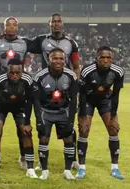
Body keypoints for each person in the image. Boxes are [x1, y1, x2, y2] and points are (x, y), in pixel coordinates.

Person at [31, 13, 80, 170]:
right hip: (46, 85)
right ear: (49, 24)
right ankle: (41, 162)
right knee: (44, 127)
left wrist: (75, 85)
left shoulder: (71, 43)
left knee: (69, 126)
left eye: (59, 21)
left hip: (65, 84)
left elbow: (76, 66)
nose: (56, 24)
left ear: (62, 24)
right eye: (53, 22)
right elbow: (24, 47)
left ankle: (73, 160)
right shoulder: (41, 40)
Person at [0, 16, 36, 169]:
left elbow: (43, 48)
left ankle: (24, 157)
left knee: (22, 129)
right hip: (2, 88)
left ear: (18, 27)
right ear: (4, 27)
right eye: (8, 25)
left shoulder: (25, 42)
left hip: (19, 88)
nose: (11, 27)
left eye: (14, 25)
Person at [76, 46, 125, 180]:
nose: (105, 60)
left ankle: (115, 169)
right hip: (88, 100)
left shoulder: (118, 71)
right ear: (96, 58)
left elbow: (115, 95)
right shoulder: (87, 70)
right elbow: (83, 94)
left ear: (112, 58)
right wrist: (83, 117)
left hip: (105, 100)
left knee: (113, 130)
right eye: (102, 57)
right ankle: (81, 168)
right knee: (84, 131)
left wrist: (114, 116)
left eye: (108, 58)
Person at [32, 48, 78, 180]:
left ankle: (67, 170)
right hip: (46, 112)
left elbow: (74, 99)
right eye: (55, 58)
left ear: (65, 60)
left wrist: (70, 120)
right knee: (43, 139)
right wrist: (39, 119)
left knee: (68, 140)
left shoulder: (71, 75)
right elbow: (36, 100)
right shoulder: (40, 76)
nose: (58, 61)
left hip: (63, 111)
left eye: (61, 58)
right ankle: (45, 170)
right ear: (49, 59)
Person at [0, 58, 37, 179]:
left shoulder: (27, 79)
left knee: (26, 132)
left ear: (22, 71)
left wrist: (27, 122)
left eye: (18, 73)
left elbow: (30, 100)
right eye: (12, 73)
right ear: (7, 71)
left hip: (20, 107)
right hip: (1, 107)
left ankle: (30, 167)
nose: (15, 75)